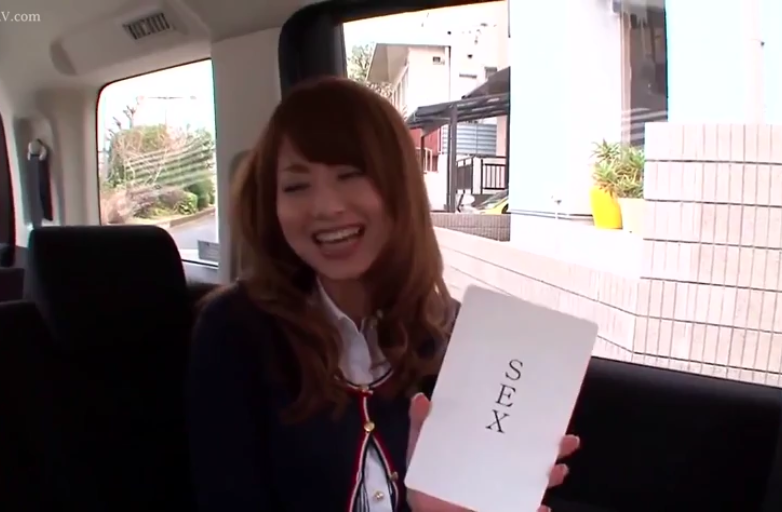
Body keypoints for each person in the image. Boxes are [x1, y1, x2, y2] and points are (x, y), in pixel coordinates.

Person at [187, 76, 581, 512]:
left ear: (399, 188)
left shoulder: (453, 333)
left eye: (350, 175)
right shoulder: (235, 332)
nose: (326, 207)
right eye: (296, 186)